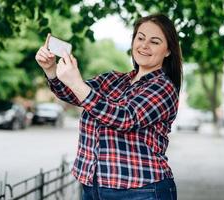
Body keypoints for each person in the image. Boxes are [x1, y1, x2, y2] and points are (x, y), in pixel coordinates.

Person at [35, 13, 182, 200]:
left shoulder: (163, 88)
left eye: (154, 42)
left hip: (141, 191)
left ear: (168, 50)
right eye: (140, 38)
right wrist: (51, 70)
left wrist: (78, 83)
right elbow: (74, 94)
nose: (144, 45)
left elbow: (125, 118)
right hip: (92, 187)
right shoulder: (113, 79)